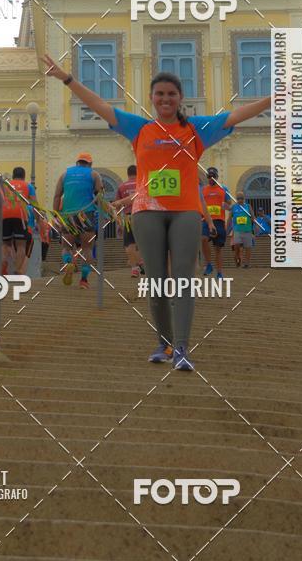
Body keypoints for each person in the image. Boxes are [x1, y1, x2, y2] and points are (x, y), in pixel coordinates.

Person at [44, 53, 270, 369]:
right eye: (160, 94)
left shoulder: (196, 129)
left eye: (171, 94)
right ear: (152, 98)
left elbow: (235, 116)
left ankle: (181, 348)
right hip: (147, 212)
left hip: (185, 213)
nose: (165, 99)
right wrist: (67, 79)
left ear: (180, 99)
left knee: (183, 279)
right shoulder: (140, 128)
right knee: (158, 280)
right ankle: (163, 344)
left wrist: (273, 98)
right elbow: (100, 106)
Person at [53, 152, 102, 289]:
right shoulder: (94, 174)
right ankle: (84, 280)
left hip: (68, 215)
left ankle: (69, 262)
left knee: (66, 247)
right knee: (87, 249)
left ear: (77, 163)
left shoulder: (64, 175)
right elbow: (100, 196)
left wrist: (56, 215)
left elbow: (57, 196)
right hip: (87, 214)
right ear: (90, 164)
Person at [1, 167, 36, 276]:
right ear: (24, 176)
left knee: (6, 244)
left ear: (13, 175)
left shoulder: (6, 185)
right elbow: (34, 204)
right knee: (21, 245)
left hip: (5, 214)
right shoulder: (28, 186)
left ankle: (3, 266)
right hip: (20, 215)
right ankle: (17, 270)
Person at [112, 164, 144, 277]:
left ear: (128, 174)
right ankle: (142, 263)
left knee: (129, 243)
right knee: (142, 243)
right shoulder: (142, 184)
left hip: (128, 217)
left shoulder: (121, 187)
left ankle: (135, 268)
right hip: (142, 215)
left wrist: (119, 223)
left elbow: (117, 206)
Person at [201, 167, 231, 279]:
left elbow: (228, 203)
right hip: (206, 220)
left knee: (218, 248)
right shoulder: (203, 190)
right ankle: (209, 264)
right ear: (207, 177)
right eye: (209, 176)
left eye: (213, 176)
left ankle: (219, 273)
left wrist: (226, 206)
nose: (211, 178)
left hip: (219, 221)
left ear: (217, 177)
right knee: (203, 239)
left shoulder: (224, 189)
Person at [227, 191, 255, 268]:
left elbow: (253, 217)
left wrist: (255, 229)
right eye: (238, 198)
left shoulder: (248, 206)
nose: (240, 200)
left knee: (248, 248)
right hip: (237, 231)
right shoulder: (234, 207)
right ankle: (237, 259)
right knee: (237, 247)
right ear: (236, 199)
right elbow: (229, 219)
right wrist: (226, 229)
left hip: (247, 230)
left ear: (244, 199)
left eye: (241, 198)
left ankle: (246, 264)